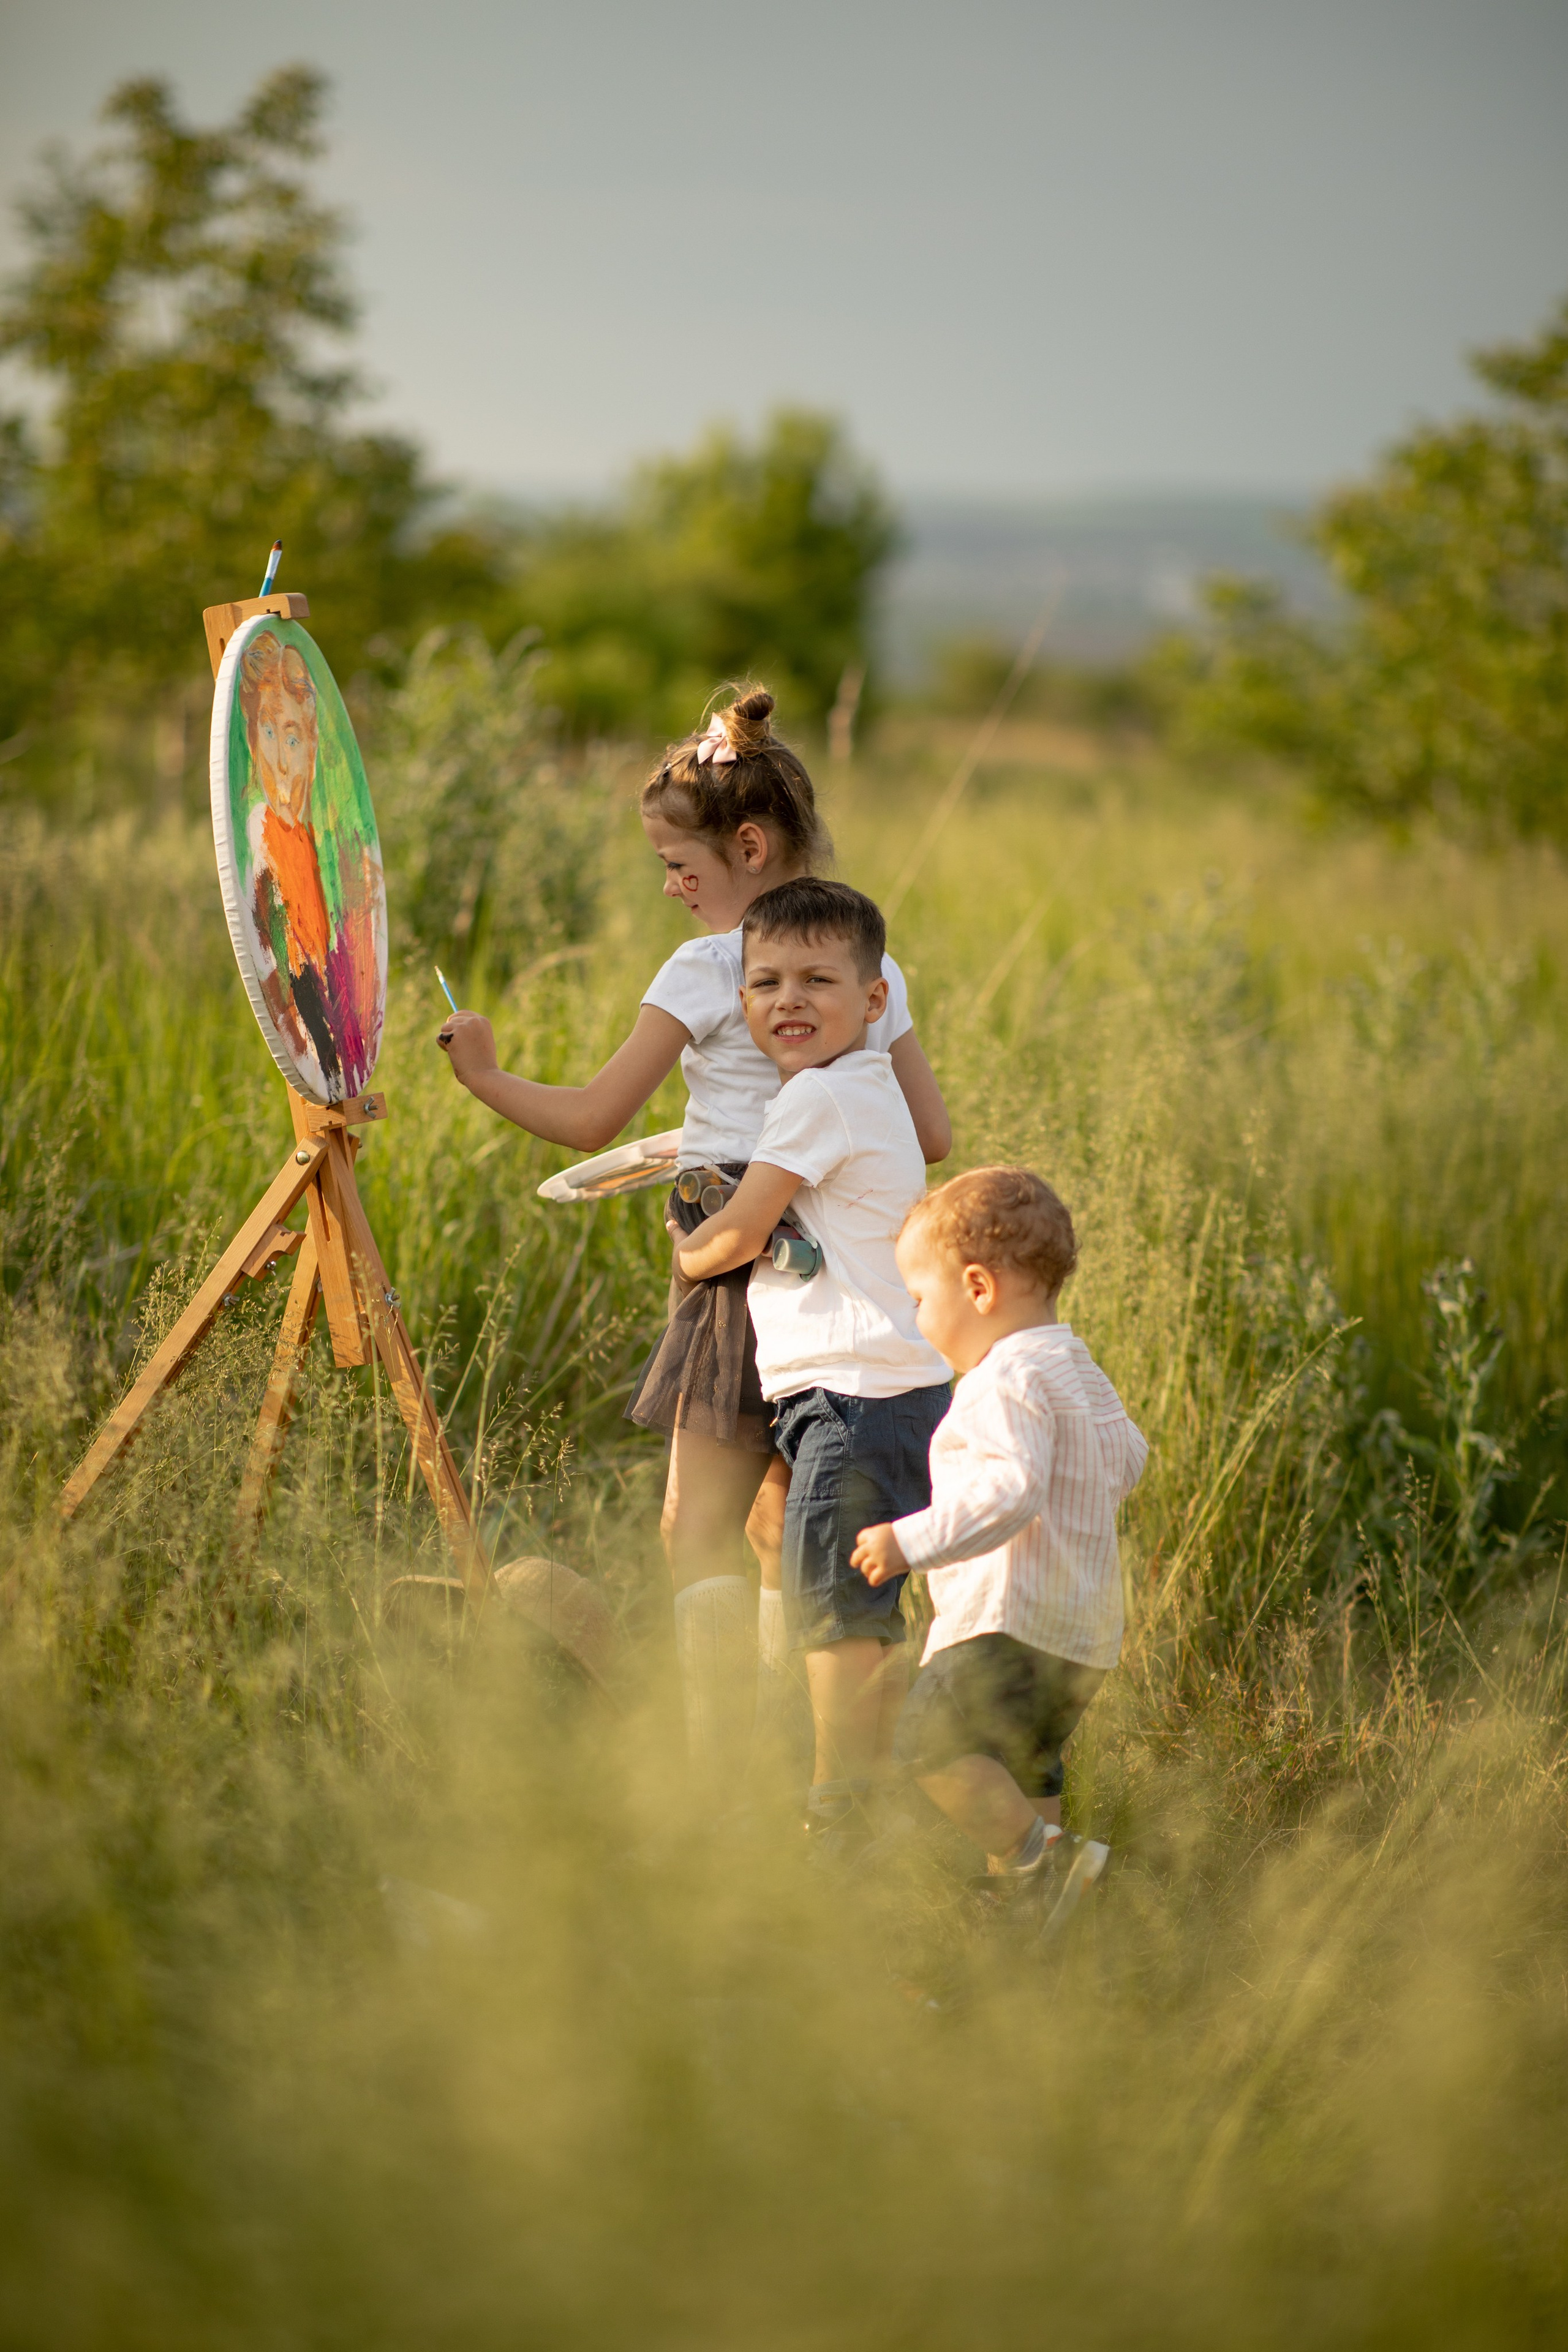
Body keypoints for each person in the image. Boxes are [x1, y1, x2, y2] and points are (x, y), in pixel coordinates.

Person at [437, 689, 950, 1787]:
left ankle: (725, 1773)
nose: (671, 888)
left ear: (747, 848)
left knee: (696, 1527)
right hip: (851, 1261)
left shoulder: (708, 969)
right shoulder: (873, 970)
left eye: (678, 865)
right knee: (788, 1511)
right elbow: (932, 1131)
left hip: (735, 1258)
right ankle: (787, 1734)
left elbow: (589, 1119)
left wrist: (481, 1071)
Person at [671, 879, 952, 1851]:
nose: (787, 1000)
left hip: (850, 1395)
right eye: (765, 983)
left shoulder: (815, 1102)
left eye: (817, 981)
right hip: (894, 1387)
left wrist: (688, 1248)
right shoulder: (866, 1093)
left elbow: (738, 1234)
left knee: (837, 1616)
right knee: (862, 1606)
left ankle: (840, 1820)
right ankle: (867, 1799)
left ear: (875, 1003)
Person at [851, 1167, 1147, 1915]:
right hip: (1079, 1635)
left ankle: (1052, 1869)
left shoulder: (1001, 1378)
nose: (918, 1318)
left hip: (1004, 1620)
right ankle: (1036, 1918)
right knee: (1024, 1770)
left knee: (929, 1744)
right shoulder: (1076, 1367)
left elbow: (1008, 1491)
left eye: (920, 1300)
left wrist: (908, 1541)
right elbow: (1127, 1459)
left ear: (978, 1289)